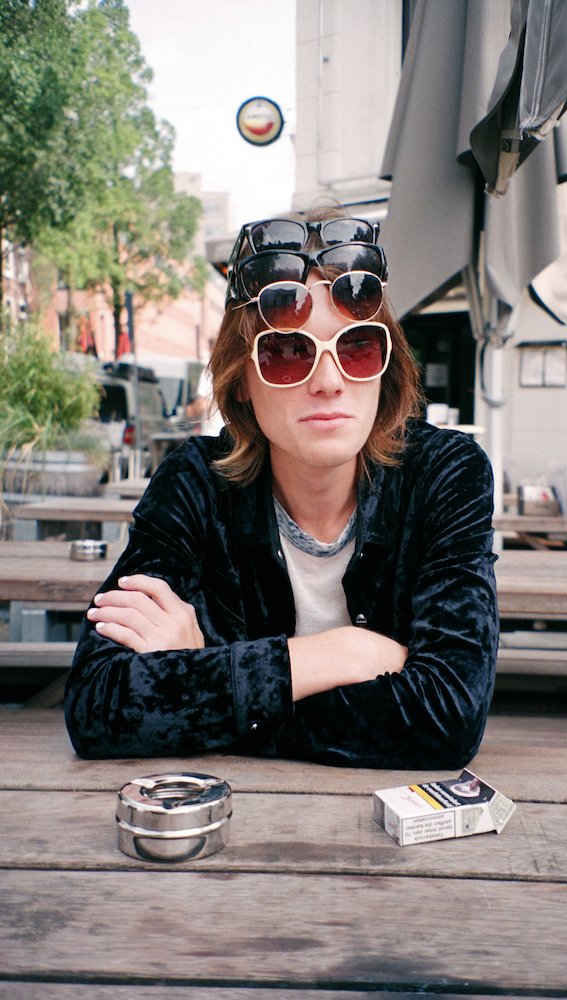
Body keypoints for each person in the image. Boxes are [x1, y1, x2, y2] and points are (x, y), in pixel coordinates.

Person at [64, 209, 498, 767]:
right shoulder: (196, 483)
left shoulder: (445, 475)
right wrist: (348, 653)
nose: (329, 381)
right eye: (288, 352)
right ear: (240, 378)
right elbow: (96, 703)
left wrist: (205, 679)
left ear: (385, 367)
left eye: (357, 347)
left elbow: (448, 716)